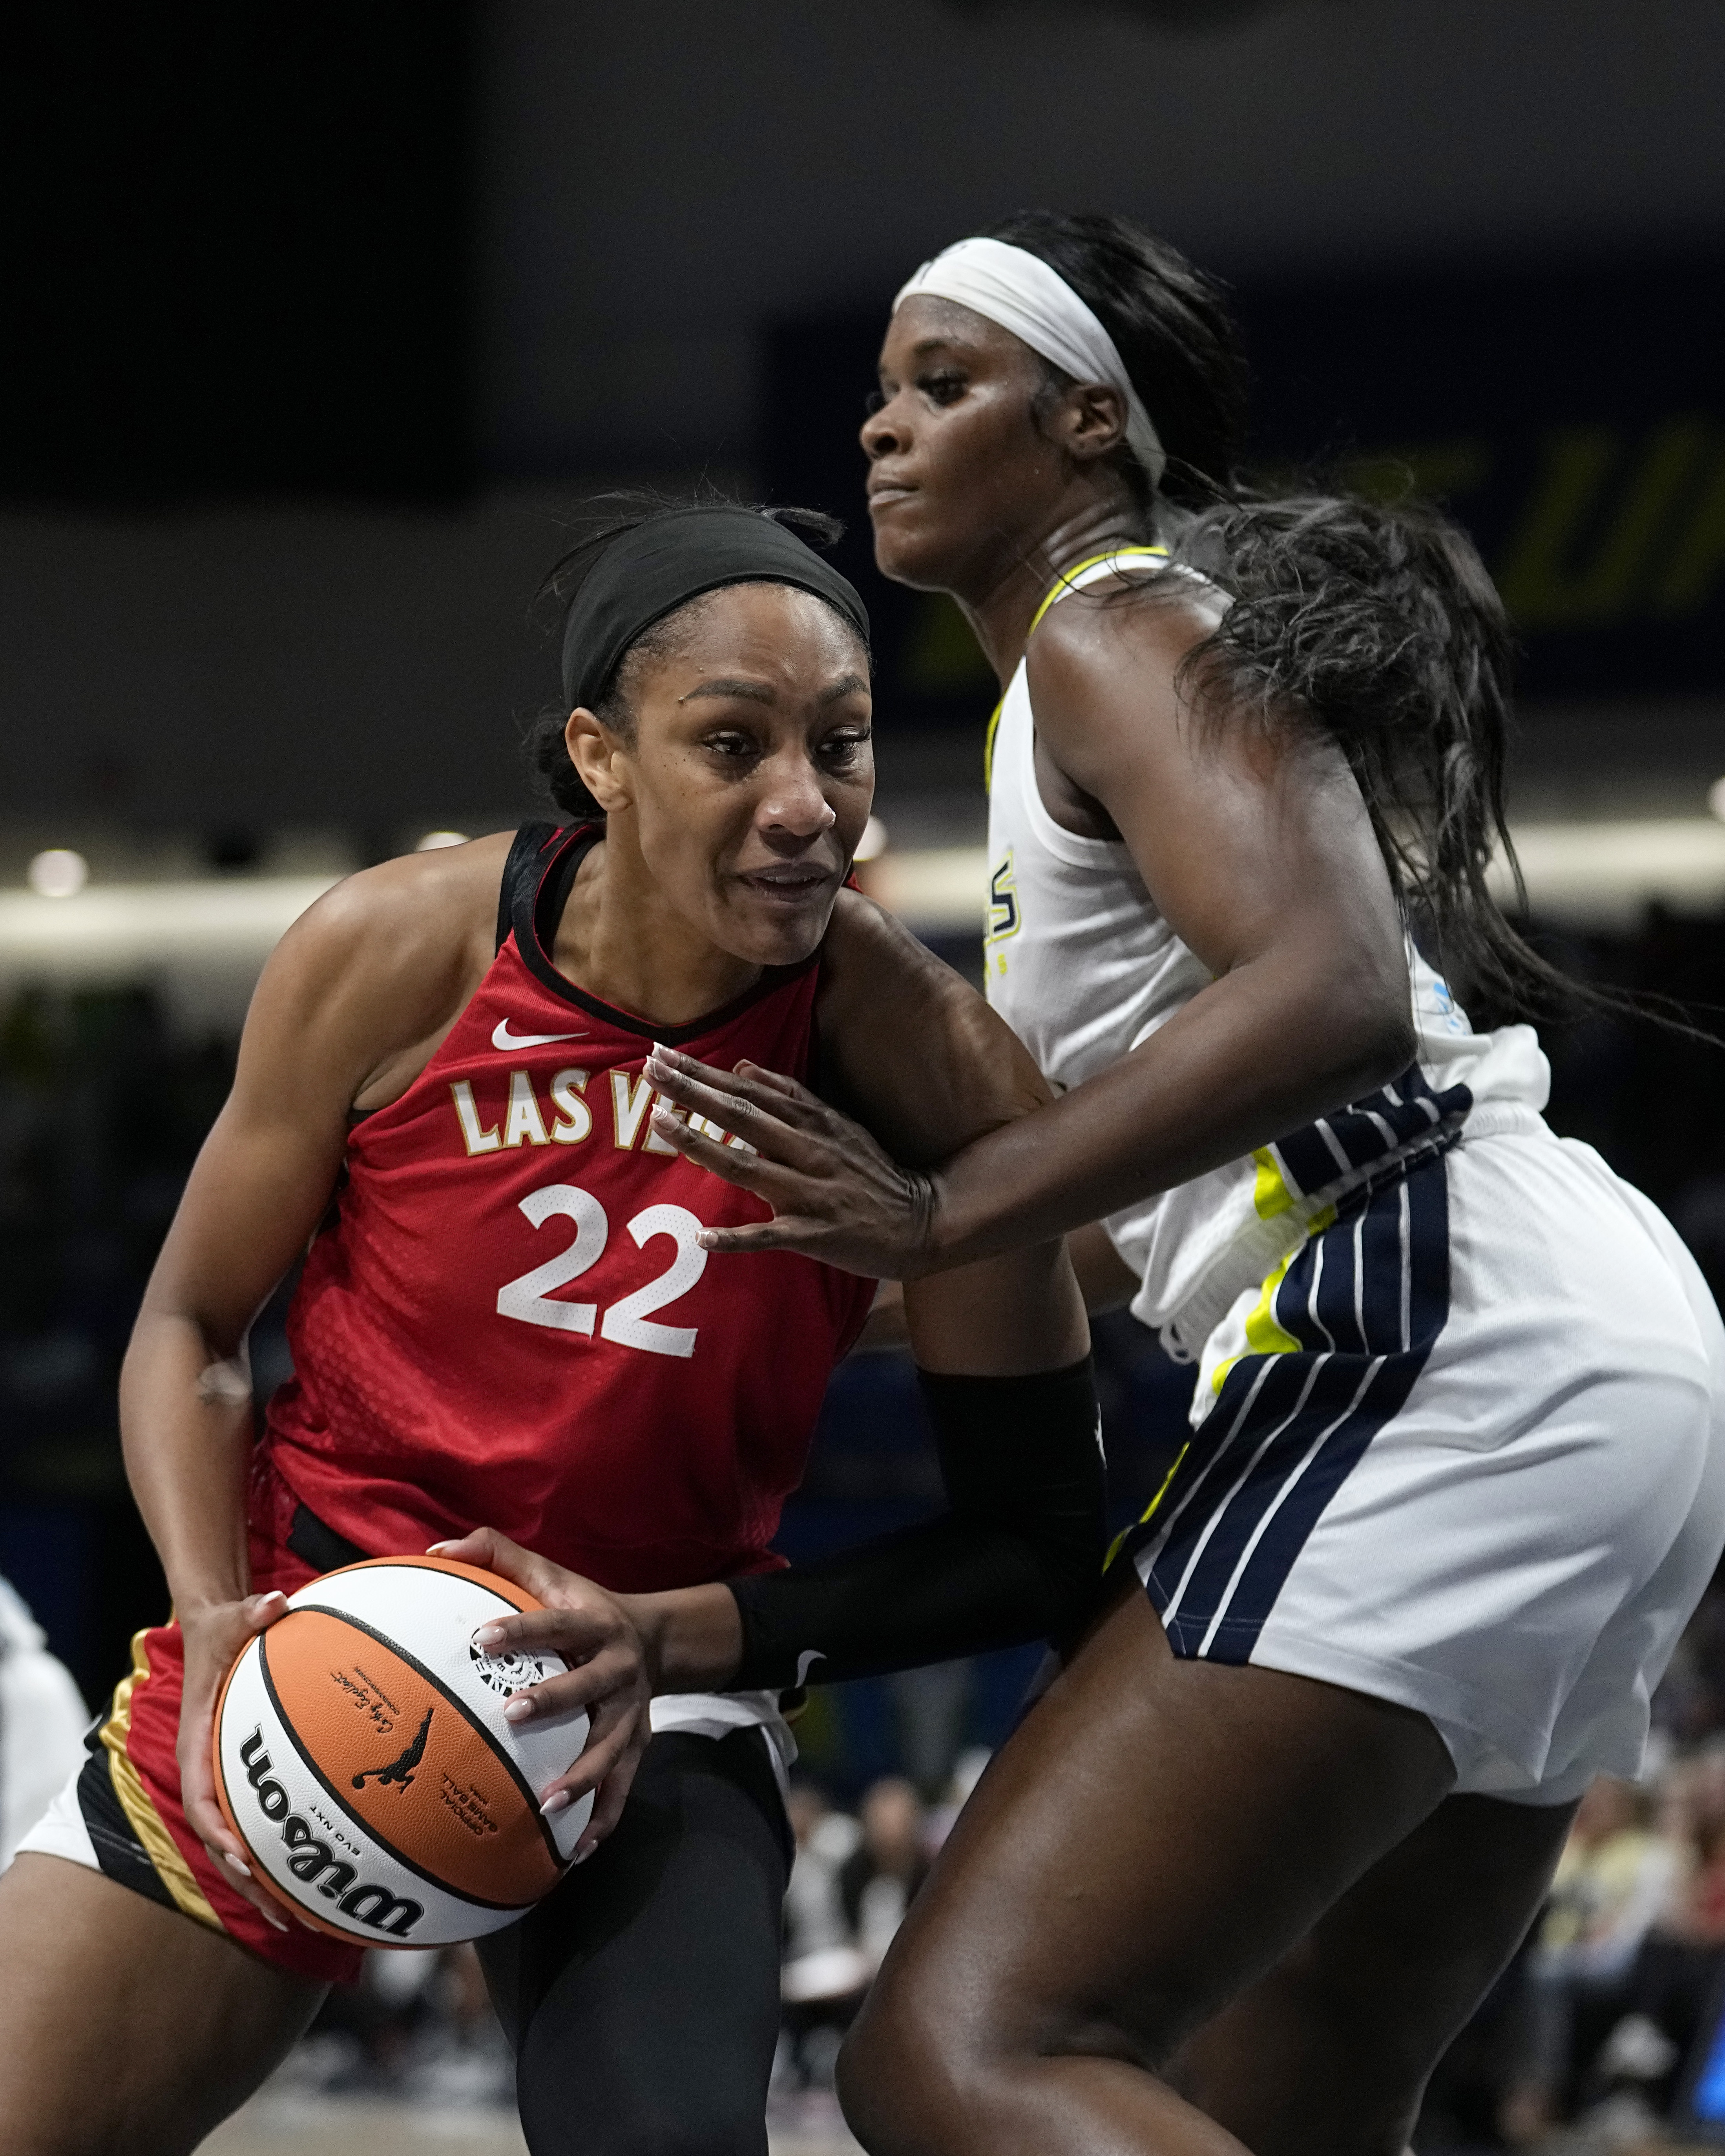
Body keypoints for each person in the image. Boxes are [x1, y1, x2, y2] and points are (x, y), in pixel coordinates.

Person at [644, 214, 1725, 2156]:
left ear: (1084, 423)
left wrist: (941, 1212)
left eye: (941, 384)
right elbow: (1140, 1205)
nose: (881, 429)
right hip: (1566, 1353)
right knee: (1286, 2099)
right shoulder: (1097, 667)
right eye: (882, 388)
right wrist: (835, 1288)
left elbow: (1328, 996)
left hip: (1435, 1333)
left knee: (955, 2057)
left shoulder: (1109, 624)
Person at [0, 500, 1105, 2156]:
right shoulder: (398, 951)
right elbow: (193, 1328)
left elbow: (1047, 1478)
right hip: (314, 1635)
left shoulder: (911, 1047)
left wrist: (850, 1314)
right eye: (733, 744)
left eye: (844, 745)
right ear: (599, 755)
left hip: (647, 1688)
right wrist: (210, 1610)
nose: (806, 806)